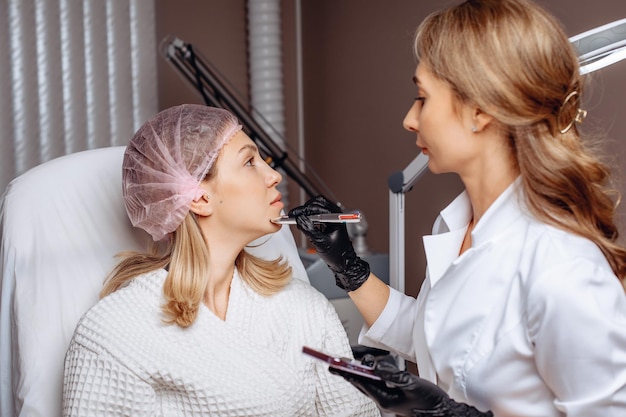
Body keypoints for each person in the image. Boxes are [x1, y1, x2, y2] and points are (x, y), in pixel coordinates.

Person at [288, 0, 626, 416]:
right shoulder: (459, 224)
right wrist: (348, 268)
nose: (410, 119)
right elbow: (437, 335)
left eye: (422, 97)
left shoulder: (562, 268)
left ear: (480, 110)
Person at [62, 104, 380, 417]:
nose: (273, 176)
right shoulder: (115, 332)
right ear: (200, 198)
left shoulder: (305, 309)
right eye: (250, 162)